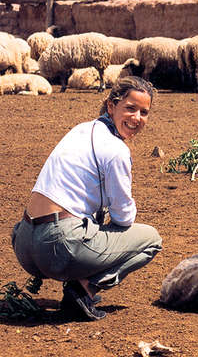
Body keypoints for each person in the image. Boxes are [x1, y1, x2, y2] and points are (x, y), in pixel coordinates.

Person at [11, 76, 163, 321]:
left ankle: (78, 276)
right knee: (151, 239)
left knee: (88, 219)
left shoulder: (81, 128)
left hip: (24, 241)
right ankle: (84, 289)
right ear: (111, 106)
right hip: (56, 247)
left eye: (144, 112)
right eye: (130, 108)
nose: (137, 118)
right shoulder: (116, 150)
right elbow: (124, 218)